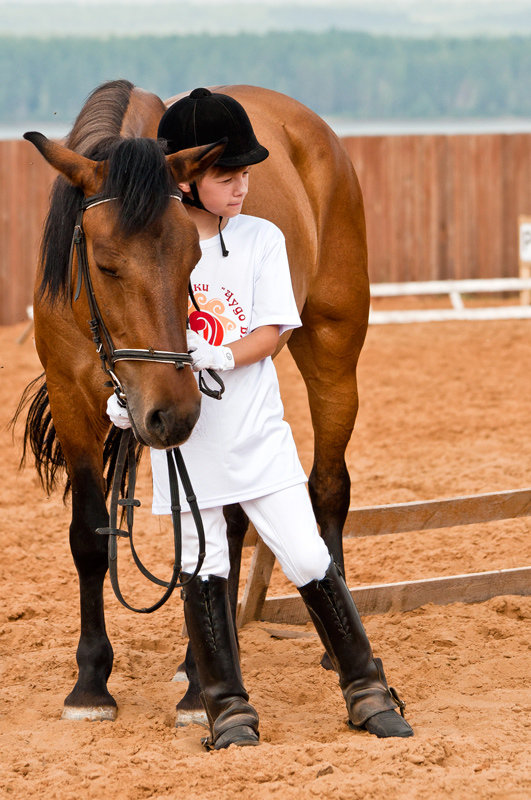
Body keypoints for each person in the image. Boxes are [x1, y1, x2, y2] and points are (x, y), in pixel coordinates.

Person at [107, 88, 413, 750]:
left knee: (304, 550)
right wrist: (127, 397)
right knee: (206, 562)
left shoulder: (261, 239)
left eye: (246, 172)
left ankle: (364, 685)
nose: (244, 185)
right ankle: (226, 706)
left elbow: (273, 332)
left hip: (255, 427)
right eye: (228, 175)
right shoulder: (157, 244)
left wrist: (215, 352)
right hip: (189, 437)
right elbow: (138, 333)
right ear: (185, 177)